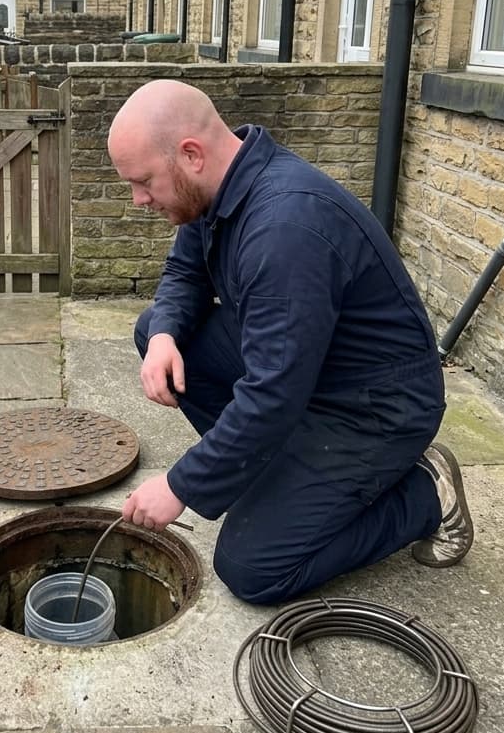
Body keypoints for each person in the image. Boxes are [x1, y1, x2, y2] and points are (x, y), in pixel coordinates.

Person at [107, 79, 473, 605]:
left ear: (190, 155)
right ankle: (270, 474)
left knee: (251, 568)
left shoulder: (285, 229)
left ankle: (425, 495)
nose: (138, 199)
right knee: (158, 332)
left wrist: (183, 485)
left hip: (374, 407)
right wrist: (164, 332)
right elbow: (185, 273)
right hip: (313, 367)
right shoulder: (215, 188)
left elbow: (273, 394)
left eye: (143, 182)